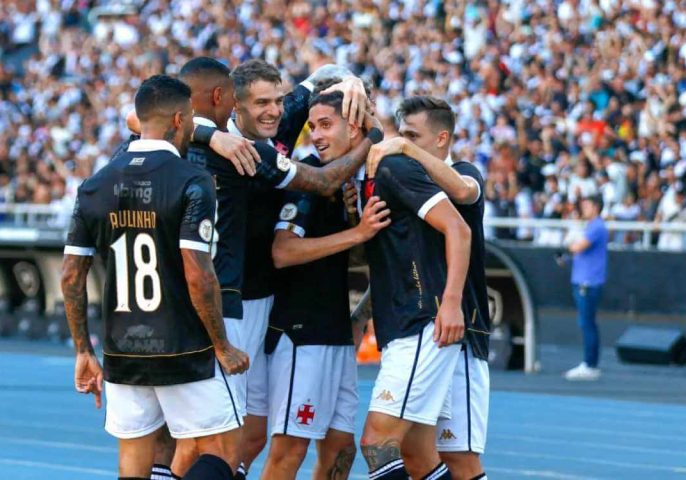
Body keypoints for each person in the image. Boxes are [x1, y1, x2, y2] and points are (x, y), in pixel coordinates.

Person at [124, 59, 375, 480]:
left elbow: (330, 70)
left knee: (243, 435)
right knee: (209, 436)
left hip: (261, 306)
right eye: (261, 103)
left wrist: (352, 82)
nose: (274, 110)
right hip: (220, 304)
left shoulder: (274, 120)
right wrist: (212, 135)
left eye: (277, 100)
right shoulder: (206, 144)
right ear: (230, 104)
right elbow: (136, 117)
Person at [61, 74, 249, 480]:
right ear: (181, 120)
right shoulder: (191, 180)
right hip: (183, 344)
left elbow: (71, 275)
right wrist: (222, 345)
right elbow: (199, 274)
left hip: (122, 348)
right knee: (222, 451)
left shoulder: (95, 185)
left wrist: (82, 350)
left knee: (133, 463)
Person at [260, 79, 390, 480]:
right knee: (289, 450)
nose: (315, 135)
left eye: (324, 125)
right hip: (302, 333)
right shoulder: (311, 176)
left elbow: (351, 254)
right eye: (311, 126)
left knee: (340, 449)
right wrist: (358, 231)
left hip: (333, 331)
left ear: (353, 127)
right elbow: (282, 252)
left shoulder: (352, 183)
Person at [366, 96, 491, 480]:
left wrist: (402, 147)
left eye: (413, 136)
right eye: (401, 134)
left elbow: (465, 192)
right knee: (418, 455)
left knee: (460, 459)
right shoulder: (409, 184)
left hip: (461, 329)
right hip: (432, 326)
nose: (402, 143)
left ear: (442, 139)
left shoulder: (466, 171)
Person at [564, 195, 608, 381]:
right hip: (584, 280)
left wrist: (573, 230)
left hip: (588, 282)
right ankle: (590, 363)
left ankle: (590, 364)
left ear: (596, 207)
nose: (584, 209)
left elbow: (577, 247)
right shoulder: (591, 226)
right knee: (587, 322)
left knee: (587, 323)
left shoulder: (597, 226)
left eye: (587, 206)